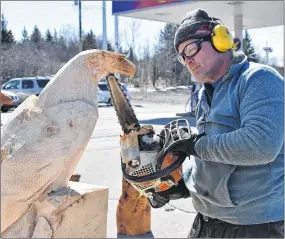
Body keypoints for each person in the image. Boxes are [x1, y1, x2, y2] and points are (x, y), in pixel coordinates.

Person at [150, 9, 284, 238]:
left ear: (220, 40)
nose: (187, 60)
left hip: (255, 226)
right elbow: (211, 161)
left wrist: (194, 145)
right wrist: (180, 186)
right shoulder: (206, 95)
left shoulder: (259, 80)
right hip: (207, 223)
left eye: (191, 49)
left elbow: (261, 145)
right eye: (182, 56)